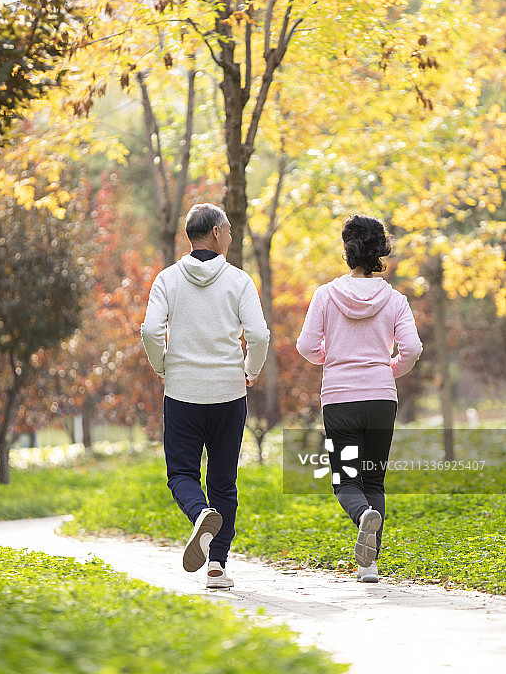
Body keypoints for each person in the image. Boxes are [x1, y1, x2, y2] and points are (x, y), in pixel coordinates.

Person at [141, 203, 269, 588]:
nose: (231, 236)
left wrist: (164, 367)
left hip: (182, 394)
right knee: (224, 482)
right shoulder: (239, 281)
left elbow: (149, 330)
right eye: (228, 230)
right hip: (229, 394)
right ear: (215, 233)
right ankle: (216, 566)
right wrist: (251, 370)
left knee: (181, 473)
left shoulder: (167, 280)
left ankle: (199, 515)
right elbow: (260, 335)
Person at [296, 214, 422, 584]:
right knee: (375, 480)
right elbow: (412, 348)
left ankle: (361, 516)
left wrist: (333, 360)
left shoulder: (325, 294)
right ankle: (370, 565)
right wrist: (389, 369)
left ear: (347, 249)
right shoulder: (395, 299)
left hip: (339, 399)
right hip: (382, 398)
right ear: (381, 250)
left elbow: (305, 346)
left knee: (347, 481)